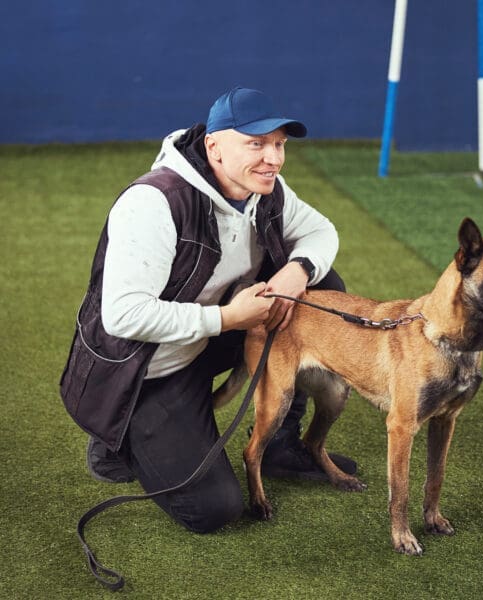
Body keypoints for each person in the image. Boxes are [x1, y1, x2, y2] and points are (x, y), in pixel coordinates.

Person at [60, 86, 356, 534]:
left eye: (279, 144)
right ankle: (117, 440)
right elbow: (121, 316)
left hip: (215, 335)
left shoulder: (263, 186)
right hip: (148, 369)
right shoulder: (155, 202)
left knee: (320, 287)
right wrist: (228, 319)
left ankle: (279, 445)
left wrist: (299, 269)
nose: (272, 158)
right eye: (255, 143)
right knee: (213, 509)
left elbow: (320, 230)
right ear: (213, 146)